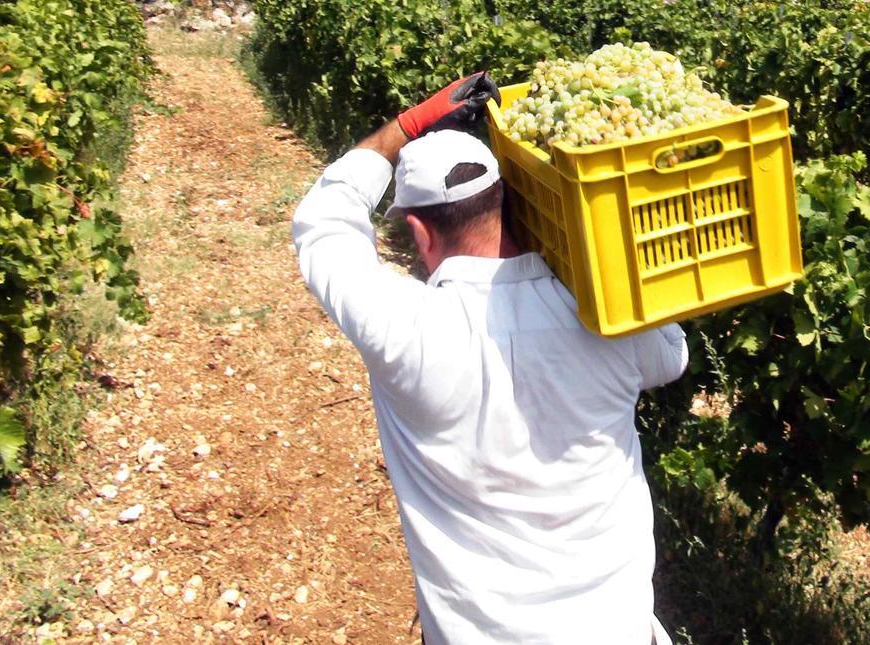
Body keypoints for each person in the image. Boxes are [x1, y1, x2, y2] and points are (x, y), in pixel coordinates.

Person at [291, 72, 688, 645]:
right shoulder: (604, 319)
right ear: (507, 201)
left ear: (418, 232)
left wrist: (407, 126)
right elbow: (670, 355)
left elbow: (322, 221)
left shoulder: (403, 329)